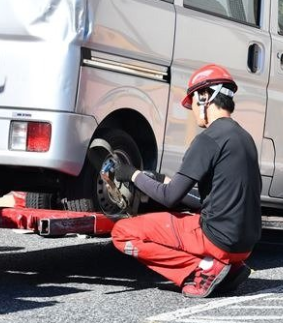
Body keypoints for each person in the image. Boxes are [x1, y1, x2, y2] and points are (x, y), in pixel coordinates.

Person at [110, 64, 262, 298]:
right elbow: (212, 193)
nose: (192, 110)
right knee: (192, 220)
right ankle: (230, 268)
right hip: (245, 245)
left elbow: (170, 197)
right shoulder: (244, 138)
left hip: (217, 239)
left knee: (122, 232)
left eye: (192, 103)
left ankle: (201, 269)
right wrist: (160, 180)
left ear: (205, 96)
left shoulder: (209, 138)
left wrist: (132, 174)